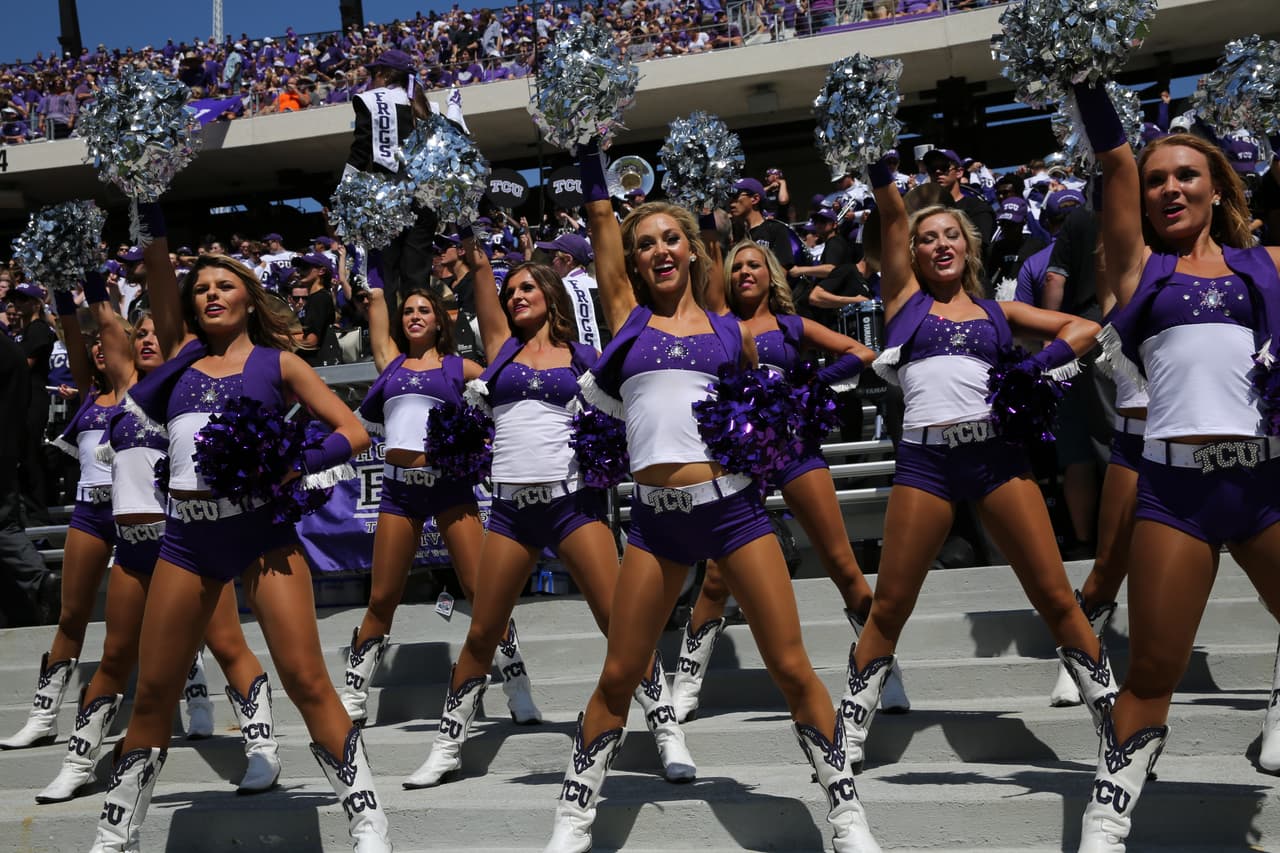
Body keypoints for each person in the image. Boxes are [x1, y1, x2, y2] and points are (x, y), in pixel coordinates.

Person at [541, 143, 879, 853]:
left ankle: (846, 811)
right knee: (618, 673)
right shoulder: (627, 319)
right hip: (654, 528)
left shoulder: (731, 328)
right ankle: (573, 814)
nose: (659, 251)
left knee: (789, 665)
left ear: (693, 252)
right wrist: (588, 144)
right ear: (631, 262)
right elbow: (602, 218)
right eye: (644, 245)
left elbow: (753, 415)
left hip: (733, 513)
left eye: (671, 239)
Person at [84, 241, 388, 851]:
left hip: (262, 536)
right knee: (154, 690)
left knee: (306, 678)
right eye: (201, 290)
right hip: (188, 541)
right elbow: (142, 302)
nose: (212, 295)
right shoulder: (175, 368)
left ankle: (366, 814)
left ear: (249, 298)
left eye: (225, 286)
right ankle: (117, 831)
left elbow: (353, 431)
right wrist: (151, 218)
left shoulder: (280, 364)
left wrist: (293, 463)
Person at [843, 156, 1115, 779]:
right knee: (892, 605)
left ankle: (1113, 723)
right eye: (927, 237)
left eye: (951, 236)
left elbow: (1083, 328)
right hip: (926, 465)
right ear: (910, 253)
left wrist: (1032, 367)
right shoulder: (904, 304)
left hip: (997, 460)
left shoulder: (999, 312)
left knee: (1054, 597)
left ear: (969, 249)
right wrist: (881, 167)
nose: (940, 244)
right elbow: (890, 212)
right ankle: (852, 723)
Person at [1071, 82, 1280, 851]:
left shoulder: (1269, 265)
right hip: (1176, 493)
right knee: (1153, 668)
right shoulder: (1137, 269)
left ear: (1220, 187)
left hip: (1267, 485)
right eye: (1158, 180)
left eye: (1187, 175)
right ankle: (1106, 820)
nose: (1168, 188)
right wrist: (1086, 78)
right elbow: (1117, 161)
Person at [405, 235, 694, 789]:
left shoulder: (585, 357)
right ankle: (448, 744)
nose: (516, 296)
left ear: (552, 294)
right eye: (510, 290)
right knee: (482, 631)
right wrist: (477, 251)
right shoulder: (500, 352)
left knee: (622, 625)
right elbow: (485, 287)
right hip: (511, 513)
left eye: (527, 287)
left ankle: (665, 729)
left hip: (573, 506)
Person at [36, 246, 279, 803]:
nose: (145, 340)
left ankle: (262, 746)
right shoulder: (123, 391)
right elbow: (102, 323)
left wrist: (153, 228)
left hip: (184, 541)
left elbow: (173, 307)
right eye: (135, 333)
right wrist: (86, 263)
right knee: (117, 654)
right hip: (130, 546)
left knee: (227, 644)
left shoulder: (186, 380)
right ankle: (80, 760)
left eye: (154, 333)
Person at [668, 239, 910, 722]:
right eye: (737, 268)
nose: (745, 274)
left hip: (796, 449)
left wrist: (812, 384)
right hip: (743, 459)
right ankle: (687, 684)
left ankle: (883, 670)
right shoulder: (719, 326)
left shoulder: (792, 324)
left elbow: (861, 351)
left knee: (842, 563)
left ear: (771, 273)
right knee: (717, 577)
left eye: (755, 265)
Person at [335, 279, 539, 729]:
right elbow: (377, 316)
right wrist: (373, 278)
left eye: (424, 309)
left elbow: (501, 386)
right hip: (398, 489)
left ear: (440, 318)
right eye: (408, 309)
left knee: (482, 593)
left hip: (449, 488)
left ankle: (516, 684)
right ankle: (354, 692)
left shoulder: (458, 366)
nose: (414, 316)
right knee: (383, 595)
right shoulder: (390, 364)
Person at [0, 330, 56, 628]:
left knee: (4, 527)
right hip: (9, 455)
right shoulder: (12, 350)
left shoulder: (7, 351)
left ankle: (37, 579)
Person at [536, 232, 609, 350]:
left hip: (577, 361)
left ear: (568, 260)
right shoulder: (598, 284)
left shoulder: (560, 287)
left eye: (552, 258)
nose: (549, 265)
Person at [727, 177, 797, 270]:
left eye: (736, 196)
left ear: (755, 199)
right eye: (730, 197)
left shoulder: (775, 229)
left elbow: (781, 273)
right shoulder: (735, 235)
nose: (731, 202)